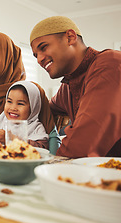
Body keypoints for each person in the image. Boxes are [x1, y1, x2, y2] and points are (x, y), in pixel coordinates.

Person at [30, 16, 121, 157]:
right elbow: (43, 111)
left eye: (43, 47)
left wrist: (50, 169)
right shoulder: (67, 86)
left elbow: (84, 141)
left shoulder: (111, 64)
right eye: (35, 55)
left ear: (70, 37)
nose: (39, 59)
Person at [0, 81, 49, 150]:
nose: (13, 108)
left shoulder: (36, 128)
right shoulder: (1, 123)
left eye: (20, 104)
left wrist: (10, 139)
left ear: (33, 107)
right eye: (9, 101)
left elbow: (41, 150)